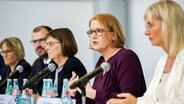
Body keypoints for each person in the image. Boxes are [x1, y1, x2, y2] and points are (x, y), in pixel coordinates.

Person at [106, 0, 184, 104]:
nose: (146, 32)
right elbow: (150, 98)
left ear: (169, 25)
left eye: (150, 25)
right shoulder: (163, 61)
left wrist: (137, 103)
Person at [69, 13, 146, 104]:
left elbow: (128, 99)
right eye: (91, 32)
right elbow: (96, 101)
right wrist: (76, 93)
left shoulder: (126, 57)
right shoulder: (101, 61)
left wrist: (95, 94)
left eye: (98, 31)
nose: (93, 36)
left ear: (113, 35)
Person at [45, 28, 88, 103]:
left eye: (51, 44)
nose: (46, 48)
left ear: (64, 43)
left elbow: (65, 96)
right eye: (47, 44)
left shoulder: (73, 64)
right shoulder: (53, 65)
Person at [28, 25, 53, 95]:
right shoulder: (37, 62)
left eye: (42, 40)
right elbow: (29, 86)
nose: (38, 45)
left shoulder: (58, 62)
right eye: (34, 41)